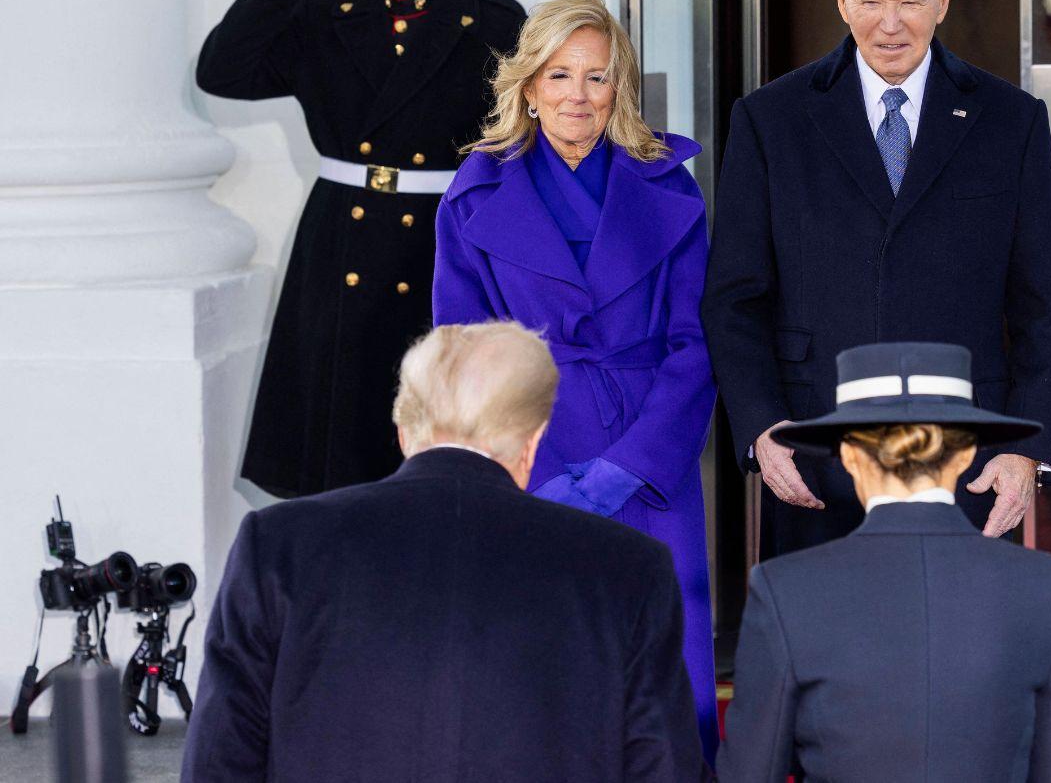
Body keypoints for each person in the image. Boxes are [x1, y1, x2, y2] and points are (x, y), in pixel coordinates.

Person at [702, 0, 1051, 556]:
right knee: (822, 656)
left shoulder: (1011, 121)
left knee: (963, 655)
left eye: (910, 0)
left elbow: (1042, 304)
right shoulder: (770, 121)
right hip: (817, 457)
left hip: (968, 461)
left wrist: (1028, 449)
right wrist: (762, 427)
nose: (891, 23)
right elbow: (735, 298)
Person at [181, 322, 706, 782]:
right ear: (533, 440)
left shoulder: (276, 544)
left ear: (403, 429)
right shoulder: (626, 567)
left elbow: (220, 760)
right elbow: (662, 767)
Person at [431, 0, 719, 760]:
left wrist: (630, 466)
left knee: (666, 655)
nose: (578, 97)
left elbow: (697, 344)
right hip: (531, 454)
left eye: (597, 77)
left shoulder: (669, 184)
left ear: (619, 85)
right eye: (559, 76)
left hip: (649, 456)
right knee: (540, 662)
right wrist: (513, 466)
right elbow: (460, 350)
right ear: (527, 86)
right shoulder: (473, 193)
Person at [197, 0, 524, 498]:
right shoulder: (324, 18)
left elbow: (526, 131)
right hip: (341, 232)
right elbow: (221, 71)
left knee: (437, 418)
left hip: (439, 238)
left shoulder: (489, 23)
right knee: (338, 423)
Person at [718, 342, 1051, 782]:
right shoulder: (1049, 586)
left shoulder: (784, 587)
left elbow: (750, 770)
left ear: (850, 457)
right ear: (965, 454)